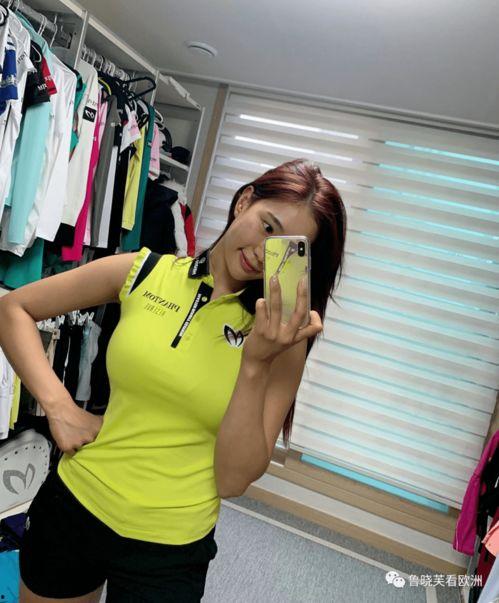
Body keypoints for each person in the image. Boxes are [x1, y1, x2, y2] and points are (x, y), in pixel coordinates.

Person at [0, 158, 347, 602]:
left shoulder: (282, 340)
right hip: (76, 506)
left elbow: (233, 480)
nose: (264, 252)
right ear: (244, 202)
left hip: (170, 547)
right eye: (266, 226)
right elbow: (13, 309)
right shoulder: (145, 272)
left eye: (284, 247)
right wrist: (59, 406)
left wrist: (256, 364)